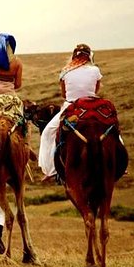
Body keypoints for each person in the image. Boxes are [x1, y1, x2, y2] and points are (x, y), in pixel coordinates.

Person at [38, 43, 101, 180]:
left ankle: (51, 170)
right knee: (113, 130)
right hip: (92, 105)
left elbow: (64, 95)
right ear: (89, 56)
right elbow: (96, 90)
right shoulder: (95, 70)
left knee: (48, 133)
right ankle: (122, 164)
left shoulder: (65, 71)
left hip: (71, 107)